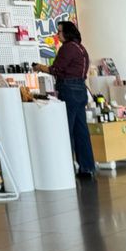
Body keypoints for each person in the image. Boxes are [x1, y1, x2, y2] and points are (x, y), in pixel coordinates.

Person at [34, 21, 95, 179]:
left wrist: (39, 67)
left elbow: (56, 69)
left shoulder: (67, 48)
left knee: (66, 130)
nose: (57, 34)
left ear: (67, 33)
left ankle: (67, 168)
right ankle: (87, 167)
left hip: (68, 90)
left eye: (60, 31)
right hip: (80, 90)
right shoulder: (81, 48)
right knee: (81, 131)